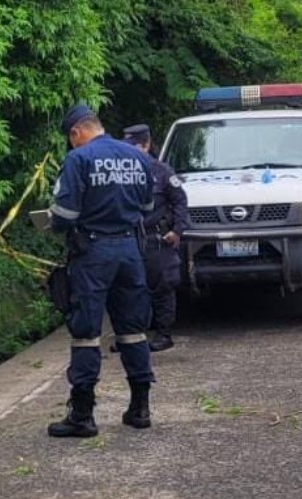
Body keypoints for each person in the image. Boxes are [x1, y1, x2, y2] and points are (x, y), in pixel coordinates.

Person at [46, 104, 156, 437]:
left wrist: (52, 219)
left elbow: (64, 214)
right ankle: (140, 408)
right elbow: (148, 207)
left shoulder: (78, 159)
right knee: (133, 330)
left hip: (93, 253)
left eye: (71, 139)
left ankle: (82, 415)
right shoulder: (137, 157)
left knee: (86, 333)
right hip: (129, 251)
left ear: (76, 132)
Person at [123, 124, 190, 353]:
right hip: (130, 238)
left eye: (135, 147)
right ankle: (133, 337)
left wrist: (178, 230)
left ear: (146, 145)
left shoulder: (162, 172)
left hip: (157, 238)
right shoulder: (122, 172)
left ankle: (164, 334)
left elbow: (180, 201)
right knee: (131, 288)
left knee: (163, 287)